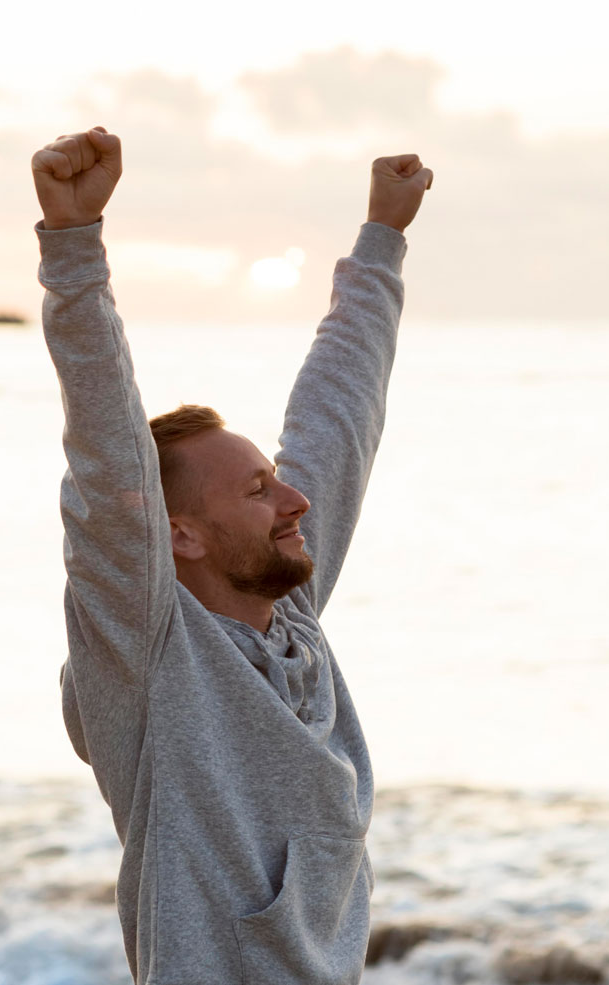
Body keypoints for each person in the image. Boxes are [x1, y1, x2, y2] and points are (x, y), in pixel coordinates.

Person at [32, 126, 432, 985]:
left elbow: (337, 420)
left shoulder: (289, 618)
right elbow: (106, 455)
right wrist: (72, 247)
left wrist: (381, 241)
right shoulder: (146, 658)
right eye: (256, 492)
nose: (294, 501)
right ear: (178, 533)